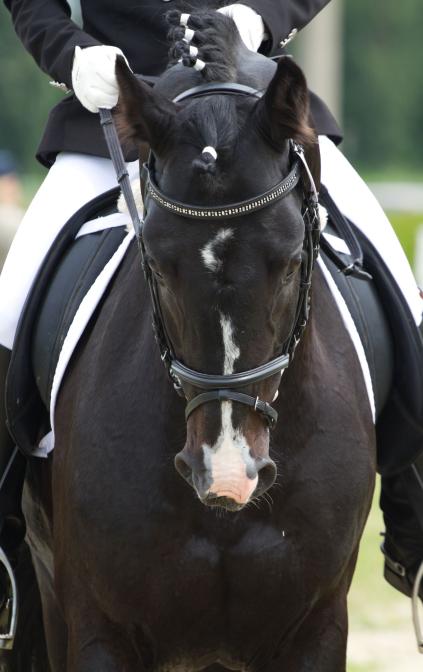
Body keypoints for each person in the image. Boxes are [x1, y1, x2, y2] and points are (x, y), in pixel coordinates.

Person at [2, 0, 423, 627]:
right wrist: (70, 54)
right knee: (9, 314)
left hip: (256, 114)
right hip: (124, 114)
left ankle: (416, 533)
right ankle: (7, 556)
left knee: (404, 304)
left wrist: (259, 17)